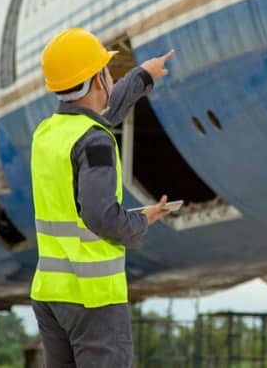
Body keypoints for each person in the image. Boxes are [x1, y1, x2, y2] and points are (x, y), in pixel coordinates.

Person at [30, 27, 174, 367]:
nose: (111, 76)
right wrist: (140, 222)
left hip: (51, 295)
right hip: (91, 298)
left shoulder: (48, 134)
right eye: (108, 71)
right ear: (99, 80)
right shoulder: (95, 141)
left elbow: (101, 116)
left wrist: (142, 77)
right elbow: (100, 215)